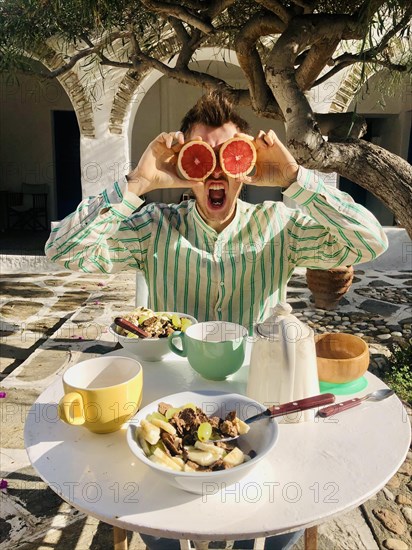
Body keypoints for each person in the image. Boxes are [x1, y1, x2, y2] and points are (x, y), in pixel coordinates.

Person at [45, 91, 387, 550]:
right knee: (163, 531)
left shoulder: (279, 226)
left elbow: (370, 241)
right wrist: (135, 185)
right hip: (169, 411)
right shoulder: (153, 229)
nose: (216, 173)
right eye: (201, 158)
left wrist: (293, 179)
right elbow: (62, 251)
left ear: (245, 167)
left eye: (229, 156)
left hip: (259, 406)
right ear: (186, 168)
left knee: (270, 526)